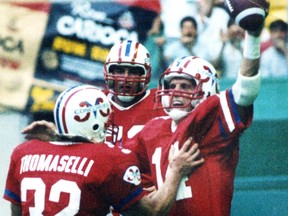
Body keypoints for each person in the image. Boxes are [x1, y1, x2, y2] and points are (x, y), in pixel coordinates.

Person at [125, 8, 268, 215]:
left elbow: (245, 91)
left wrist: (253, 38)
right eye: (172, 86)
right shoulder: (151, 130)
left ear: (206, 89)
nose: (176, 92)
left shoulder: (211, 119)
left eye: (185, 86)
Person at [3, 85, 204, 216]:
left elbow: (17, 212)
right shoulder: (109, 159)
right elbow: (151, 212)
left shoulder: (23, 151)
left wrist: (59, 136)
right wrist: (176, 170)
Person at [22, 40, 166, 148]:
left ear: (146, 74)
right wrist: (57, 138)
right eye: (119, 70)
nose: (125, 77)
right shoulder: (91, 101)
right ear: (108, 71)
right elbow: (78, 148)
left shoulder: (162, 102)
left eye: (133, 71)